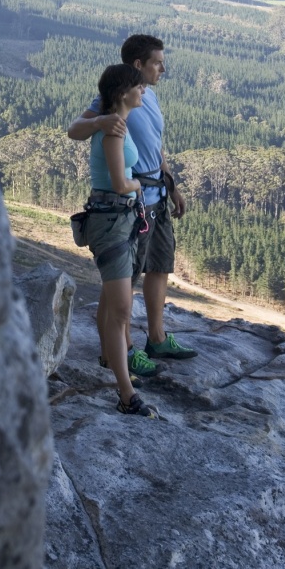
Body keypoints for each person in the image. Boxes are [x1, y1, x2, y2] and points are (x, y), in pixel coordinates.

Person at [68, 34, 197, 371]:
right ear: (138, 65)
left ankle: (156, 339)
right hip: (133, 204)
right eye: (157, 62)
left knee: (159, 266)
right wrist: (98, 121)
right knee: (122, 278)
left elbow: (156, 146)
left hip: (158, 195)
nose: (163, 69)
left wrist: (173, 185)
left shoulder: (146, 96)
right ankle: (122, 351)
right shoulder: (111, 99)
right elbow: (74, 130)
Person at [84, 63, 157, 417]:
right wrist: (139, 184)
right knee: (122, 310)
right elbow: (118, 182)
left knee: (112, 300)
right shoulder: (113, 131)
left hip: (119, 219)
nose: (143, 91)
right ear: (122, 93)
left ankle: (111, 359)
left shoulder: (118, 125)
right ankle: (126, 394)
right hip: (112, 218)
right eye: (138, 87)